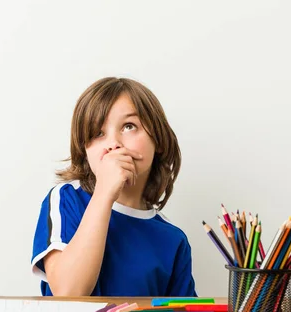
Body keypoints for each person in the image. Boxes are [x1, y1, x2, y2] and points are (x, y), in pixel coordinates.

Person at [31, 77, 197, 297]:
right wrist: (104, 192)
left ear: (158, 139)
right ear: (85, 150)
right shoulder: (66, 199)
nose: (113, 144)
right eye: (98, 133)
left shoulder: (173, 239)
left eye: (129, 126)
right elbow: (68, 292)